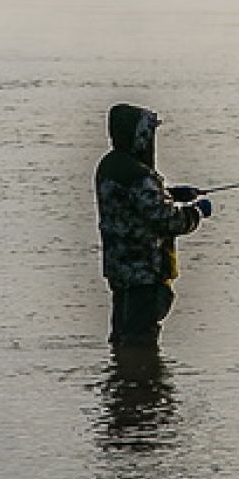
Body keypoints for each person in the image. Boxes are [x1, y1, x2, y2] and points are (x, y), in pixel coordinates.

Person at [94, 103, 210, 347]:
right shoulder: (140, 175)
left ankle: (122, 378)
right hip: (144, 272)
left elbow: (130, 203)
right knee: (141, 341)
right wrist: (196, 213)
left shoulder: (109, 165)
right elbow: (167, 221)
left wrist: (171, 194)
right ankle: (139, 381)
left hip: (119, 268)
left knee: (122, 336)